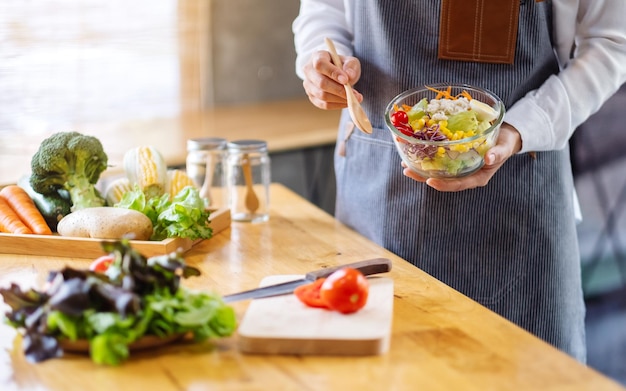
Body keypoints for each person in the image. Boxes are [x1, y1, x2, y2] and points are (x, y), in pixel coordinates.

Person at [292, 0, 626, 362]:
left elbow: (612, 44)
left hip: (518, 183)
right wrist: (322, 62)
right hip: (376, 186)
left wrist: (519, 129)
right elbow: (324, 11)